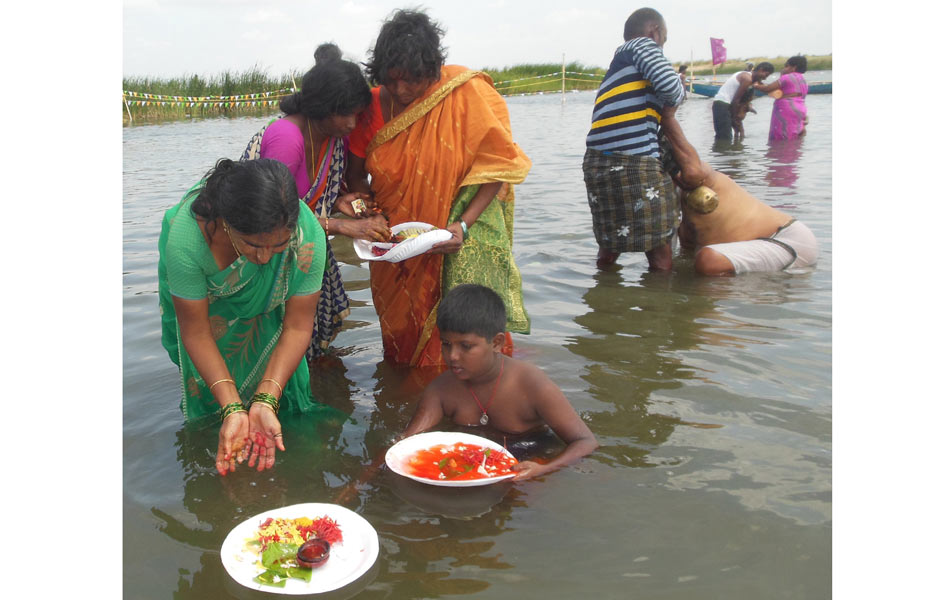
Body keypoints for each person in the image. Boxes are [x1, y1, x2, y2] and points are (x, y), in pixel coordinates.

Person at [345, 9, 532, 367]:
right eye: (391, 79)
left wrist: (463, 226)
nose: (400, 90)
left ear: (433, 70)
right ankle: (410, 397)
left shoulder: (463, 92)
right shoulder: (369, 107)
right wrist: (368, 214)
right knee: (402, 348)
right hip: (393, 246)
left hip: (456, 235)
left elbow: (498, 165)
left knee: (465, 337)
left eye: (412, 80)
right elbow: (355, 176)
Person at [158, 158, 330, 476]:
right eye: (253, 245)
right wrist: (232, 407)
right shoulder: (187, 240)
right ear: (226, 224)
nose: (264, 259)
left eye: (278, 247)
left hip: (270, 315)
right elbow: (195, 332)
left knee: (286, 403)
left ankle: (269, 417)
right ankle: (227, 421)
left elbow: (296, 325)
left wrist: (267, 398)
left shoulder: (307, 239)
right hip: (206, 317)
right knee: (211, 401)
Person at [241, 44, 391, 360]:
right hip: (261, 250)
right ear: (323, 107)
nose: (353, 123)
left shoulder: (332, 138)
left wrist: (349, 206)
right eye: (346, 112)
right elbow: (275, 218)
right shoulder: (287, 138)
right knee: (267, 348)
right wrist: (342, 226)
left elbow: (325, 197)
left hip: (295, 249)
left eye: (357, 113)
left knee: (301, 347)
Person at [402, 285, 599, 480]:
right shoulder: (441, 390)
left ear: (496, 343)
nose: (452, 356)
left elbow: (586, 441)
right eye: (446, 344)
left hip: (532, 459)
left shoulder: (533, 386)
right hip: (472, 463)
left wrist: (544, 469)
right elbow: (405, 443)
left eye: (466, 346)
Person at [582, 7, 685, 271]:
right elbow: (670, 88)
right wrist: (679, 92)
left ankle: (603, 298)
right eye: (665, 37)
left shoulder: (620, 64)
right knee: (660, 245)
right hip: (633, 162)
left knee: (611, 240)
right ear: (656, 31)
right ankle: (660, 307)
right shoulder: (643, 45)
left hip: (597, 164)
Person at [659, 106, 818, 275]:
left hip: (787, 241)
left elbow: (693, 171)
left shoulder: (697, 176)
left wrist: (667, 118)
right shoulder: (676, 197)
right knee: (696, 264)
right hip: (761, 243)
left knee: (708, 260)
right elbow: (687, 251)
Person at [711, 62, 774, 139]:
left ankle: (731, 149)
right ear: (761, 70)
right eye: (766, 75)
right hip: (722, 105)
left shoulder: (747, 75)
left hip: (727, 105)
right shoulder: (747, 79)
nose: (765, 78)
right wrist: (734, 119)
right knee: (724, 136)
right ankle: (722, 150)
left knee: (737, 133)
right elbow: (736, 100)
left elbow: (743, 98)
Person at [755, 55, 809, 140]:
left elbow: (767, 89)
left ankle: (780, 153)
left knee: (781, 136)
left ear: (794, 67)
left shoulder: (787, 77)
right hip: (801, 109)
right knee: (794, 138)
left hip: (787, 109)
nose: (784, 68)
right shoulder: (802, 79)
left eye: (786, 66)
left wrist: (755, 85)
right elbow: (779, 93)